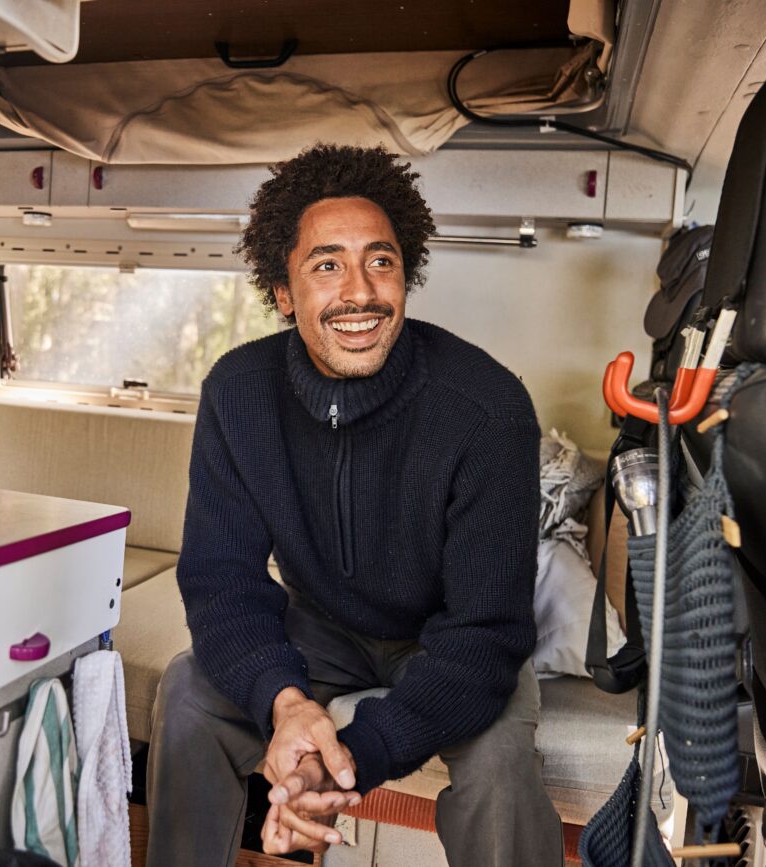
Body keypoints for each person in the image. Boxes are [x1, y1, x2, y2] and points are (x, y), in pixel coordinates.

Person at [145, 143, 563, 866]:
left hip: (447, 637)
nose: (360, 292)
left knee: (499, 758)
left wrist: (349, 760)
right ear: (284, 292)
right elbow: (222, 581)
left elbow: (486, 631)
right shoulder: (238, 392)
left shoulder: (488, 407)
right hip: (322, 628)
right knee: (187, 689)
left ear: (406, 273)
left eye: (381, 261)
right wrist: (286, 703)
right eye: (327, 265)